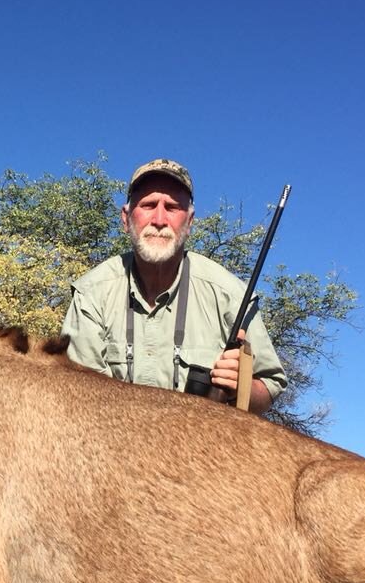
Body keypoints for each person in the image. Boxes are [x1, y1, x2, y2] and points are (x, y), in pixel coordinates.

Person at [61, 158, 287, 413]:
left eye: (172, 207)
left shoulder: (232, 296)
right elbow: (78, 398)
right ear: (125, 218)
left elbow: (270, 384)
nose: (159, 219)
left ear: (189, 222)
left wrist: (241, 388)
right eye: (147, 205)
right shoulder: (91, 294)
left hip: (203, 448)